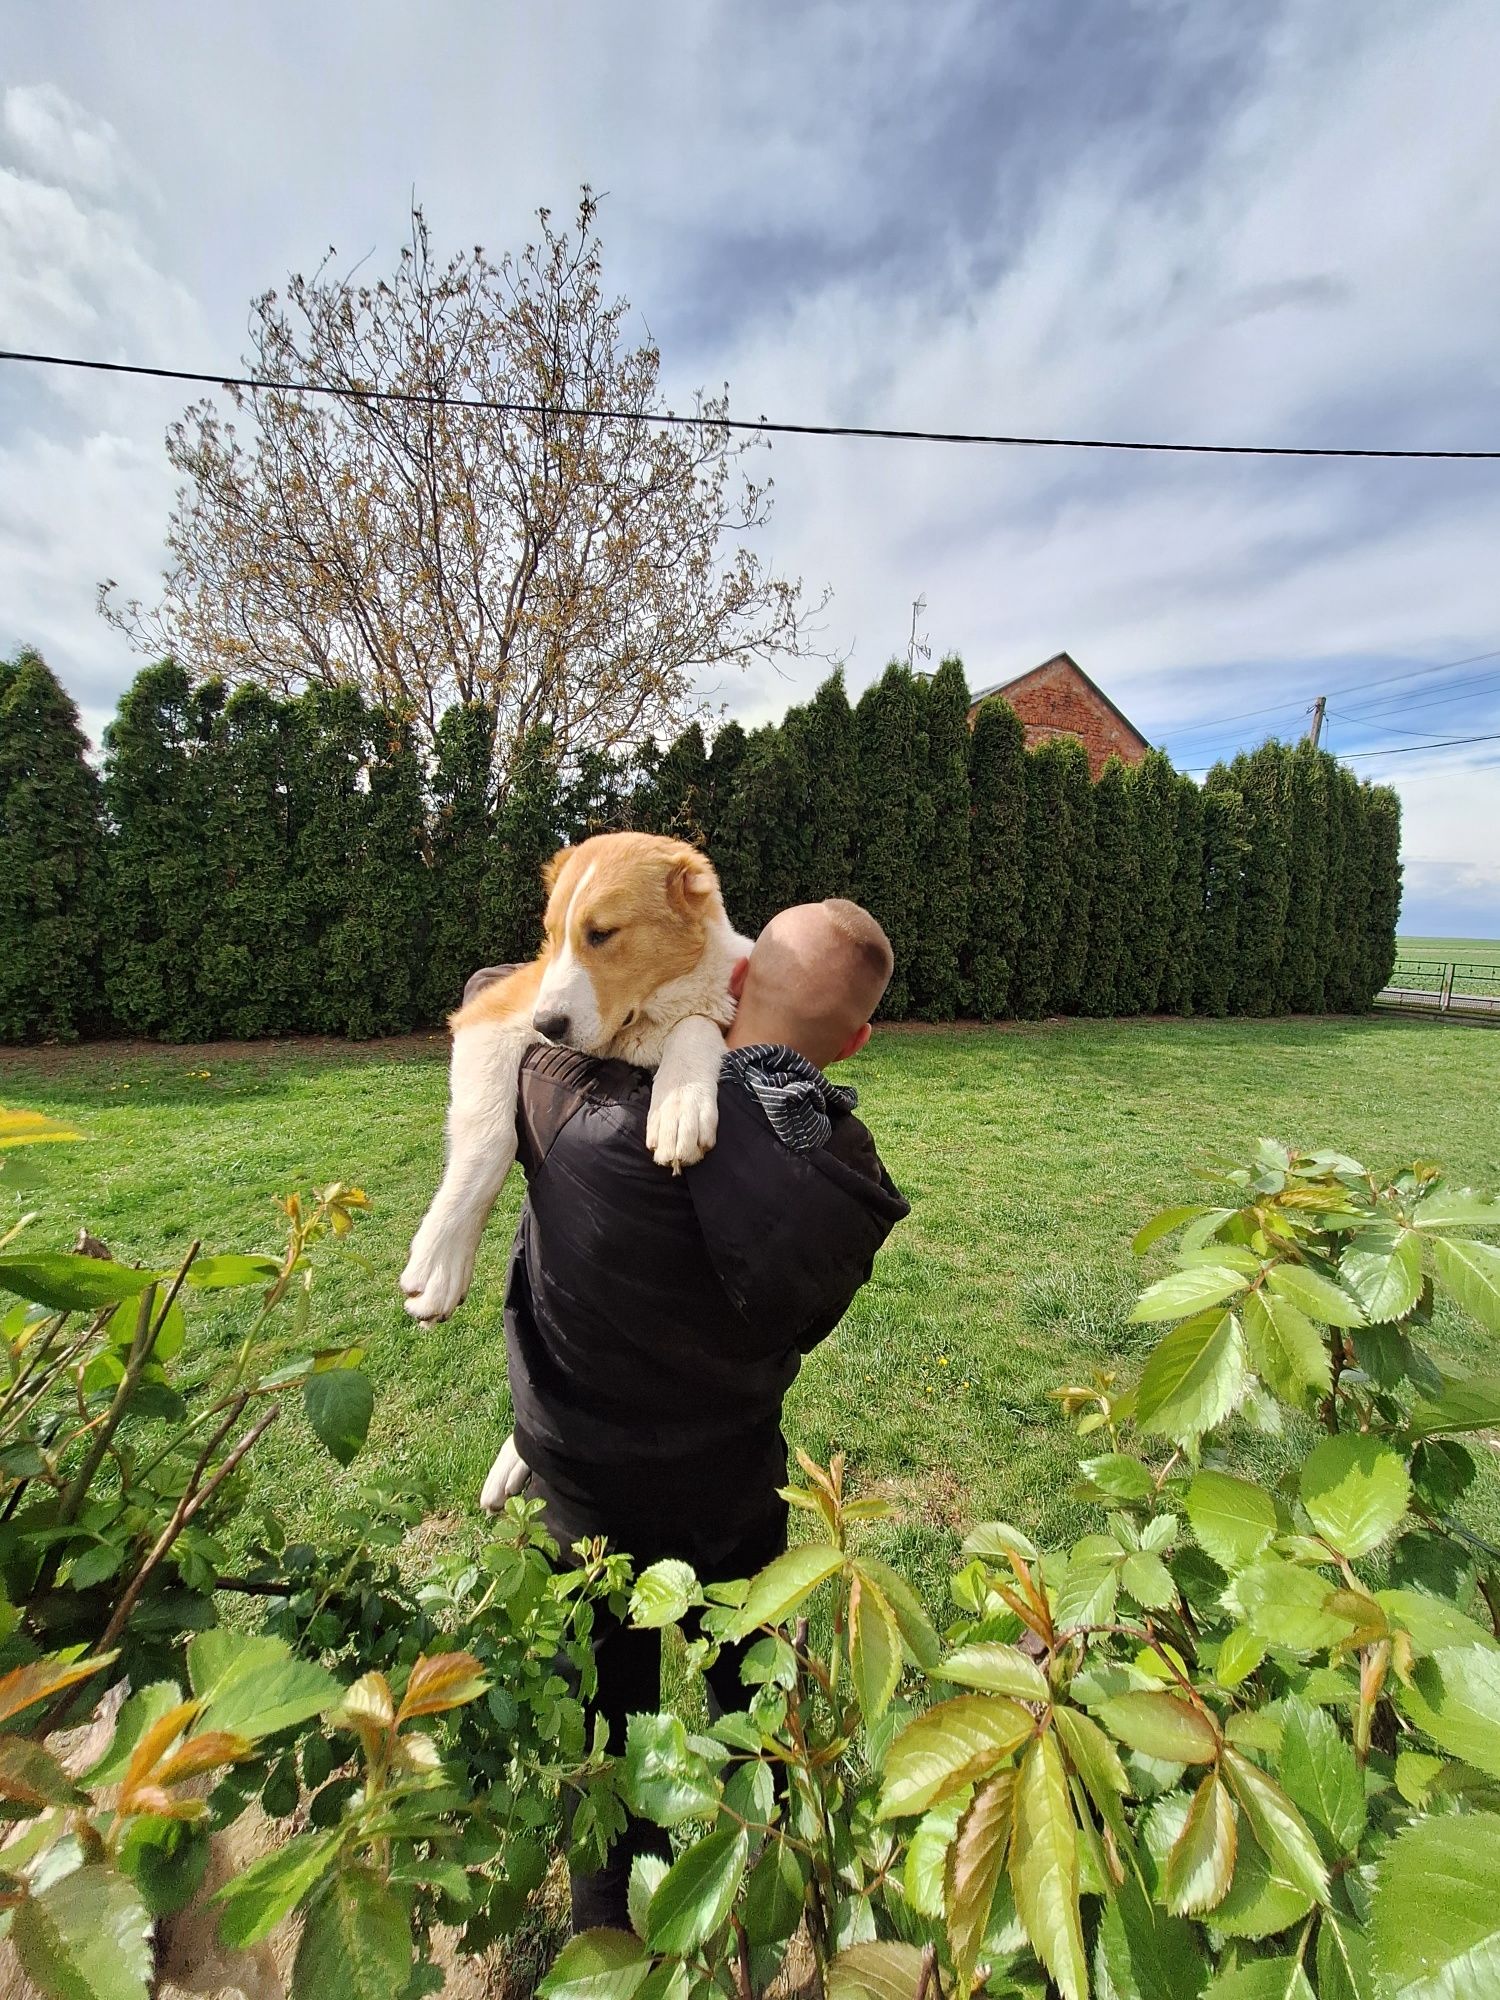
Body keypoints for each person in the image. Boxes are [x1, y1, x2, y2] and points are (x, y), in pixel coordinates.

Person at [494, 897, 908, 1932]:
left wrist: (656, 1001)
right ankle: (787, 1904)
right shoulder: (848, 1180)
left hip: (584, 1499)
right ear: (856, 1039)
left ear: (730, 974)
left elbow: (495, 998)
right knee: (756, 1707)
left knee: (607, 1735)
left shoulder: (575, 1109)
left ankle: (614, 1938)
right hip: (732, 1485)